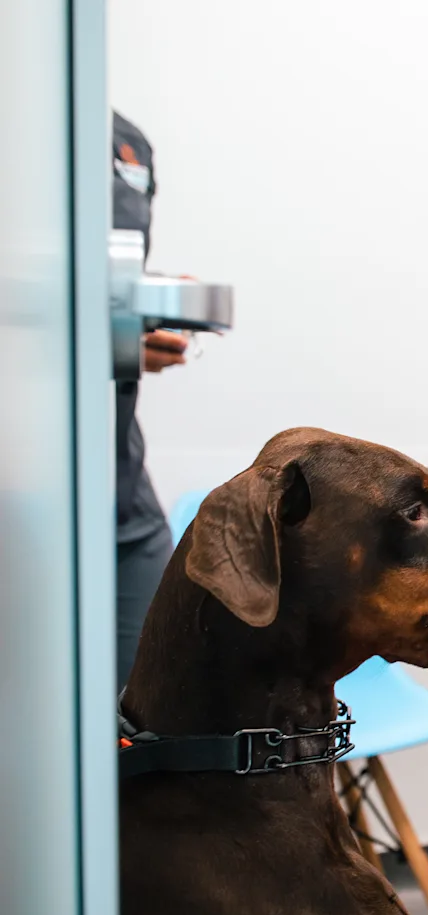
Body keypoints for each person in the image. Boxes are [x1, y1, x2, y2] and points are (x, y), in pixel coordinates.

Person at [113, 109, 188, 689]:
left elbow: (105, 283)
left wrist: (146, 318)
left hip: (121, 492)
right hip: (24, 492)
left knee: (159, 699)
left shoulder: (126, 143)